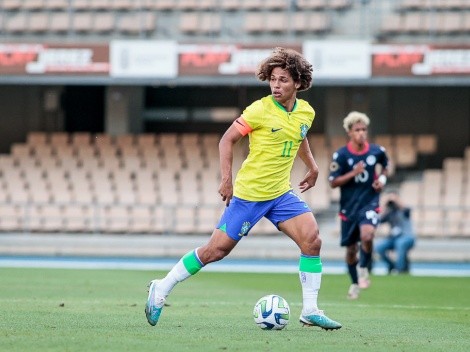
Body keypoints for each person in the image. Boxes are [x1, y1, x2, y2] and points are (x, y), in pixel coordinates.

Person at [145, 47, 342, 330]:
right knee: (215, 251)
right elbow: (227, 140)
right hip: (249, 195)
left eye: (283, 80)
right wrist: (227, 179)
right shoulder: (259, 109)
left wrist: (313, 167)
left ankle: (310, 309)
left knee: (312, 240)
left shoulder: (306, 112)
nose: (276, 85)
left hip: (280, 194)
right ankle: (161, 288)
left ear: (298, 83)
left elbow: (300, 137)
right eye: (273, 79)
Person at [328, 111, 389, 300]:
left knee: (367, 235)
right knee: (350, 250)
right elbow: (333, 181)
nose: (361, 133)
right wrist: (353, 173)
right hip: (349, 208)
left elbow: (386, 165)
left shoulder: (377, 151)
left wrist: (382, 179)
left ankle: (364, 267)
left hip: (369, 203)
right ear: (349, 132)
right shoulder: (341, 155)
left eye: (364, 129)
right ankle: (354, 282)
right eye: (357, 130)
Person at [375, 191, 416, 274]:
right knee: (378, 247)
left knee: (400, 244)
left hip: (407, 236)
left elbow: (406, 209)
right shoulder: (389, 212)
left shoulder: (404, 210)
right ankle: (392, 265)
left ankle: (399, 269)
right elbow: (378, 220)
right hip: (393, 238)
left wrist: (396, 200)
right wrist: (385, 203)